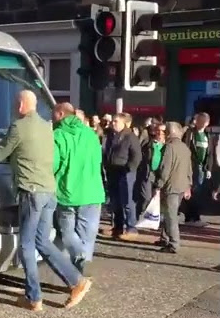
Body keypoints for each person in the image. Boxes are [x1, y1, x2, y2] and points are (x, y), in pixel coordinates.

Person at [0, 90, 91, 311]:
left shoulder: (18, 126)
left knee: (26, 244)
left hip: (30, 191)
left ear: (21, 105)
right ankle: (77, 281)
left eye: (16, 104)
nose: (15, 108)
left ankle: (34, 297)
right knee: (43, 241)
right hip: (48, 191)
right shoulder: (47, 126)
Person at [53, 102, 105, 275]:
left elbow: (53, 165)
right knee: (87, 235)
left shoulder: (58, 135)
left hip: (68, 192)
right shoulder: (91, 135)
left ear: (60, 114)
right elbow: (98, 160)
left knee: (67, 234)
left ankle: (78, 270)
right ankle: (80, 274)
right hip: (93, 191)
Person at [152, 122, 192, 253]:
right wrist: (188, 185)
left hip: (171, 187)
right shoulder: (185, 147)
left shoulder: (169, 147)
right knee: (170, 214)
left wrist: (158, 185)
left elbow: (165, 169)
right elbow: (189, 169)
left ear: (168, 133)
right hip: (181, 186)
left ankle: (174, 243)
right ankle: (165, 238)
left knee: (170, 216)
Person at [104, 112, 142, 240]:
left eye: (116, 121)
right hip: (112, 171)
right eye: (113, 121)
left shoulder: (130, 136)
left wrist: (129, 169)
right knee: (115, 201)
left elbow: (136, 155)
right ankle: (118, 227)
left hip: (125, 172)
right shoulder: (111, 135)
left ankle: (131, 227)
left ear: (123, 123)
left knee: (127, 201)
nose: (113, 123)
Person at [182, 112, 211, 225]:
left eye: (203, 120)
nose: (200, 123)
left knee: (199, 192)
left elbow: (209, 153)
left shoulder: (207, 136)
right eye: (199, 120)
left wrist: (208, 168)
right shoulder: (191, 134)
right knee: (193, 191)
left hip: (202, 169)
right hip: (192, 166)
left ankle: (195, 217)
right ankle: (191, 217)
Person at [136, 122, 166, 217]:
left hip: (161, 174)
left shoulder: (168, 146)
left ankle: (154, 215)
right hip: (148, 173)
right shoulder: (148, 144)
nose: (160, 133)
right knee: (146, 196)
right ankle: (142, 213)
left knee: (158, 197)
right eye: (158, 130)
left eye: (163, 131)